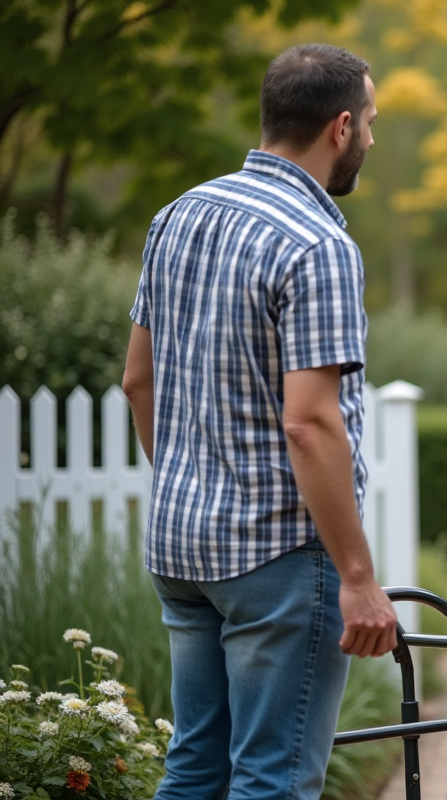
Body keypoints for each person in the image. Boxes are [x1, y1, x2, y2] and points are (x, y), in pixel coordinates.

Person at [121, 44, 398, 800]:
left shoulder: (178, 215)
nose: (373, 138)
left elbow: (138, 381)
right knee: (271, 781)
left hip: (182, 547)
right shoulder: (318, 244)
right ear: (341, 127)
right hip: (277, 557)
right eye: (371, 121)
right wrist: (358, 578)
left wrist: (194, 482)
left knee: (194, 769)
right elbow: (309, 424)